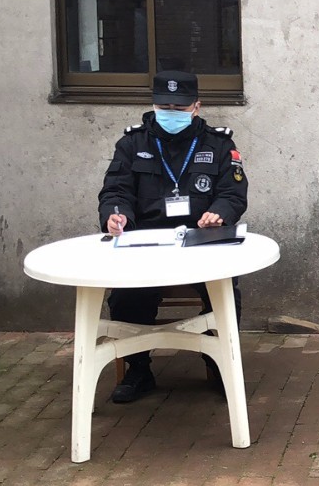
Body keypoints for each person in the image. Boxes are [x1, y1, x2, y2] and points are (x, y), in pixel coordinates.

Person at [97, 69, 248, 403]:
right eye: (164, 106)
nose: (171, 113)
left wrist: (220, 212)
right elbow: (115, 190)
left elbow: (233, 193)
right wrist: (116, 215)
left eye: (179, 108)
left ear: (196, 106)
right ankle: (138, 369)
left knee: (225, 292)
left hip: (202, 240)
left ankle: (219, 364)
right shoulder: (132, 143)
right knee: (125, 296)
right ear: (154, 104)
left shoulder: (219, 144)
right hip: (147, 242)